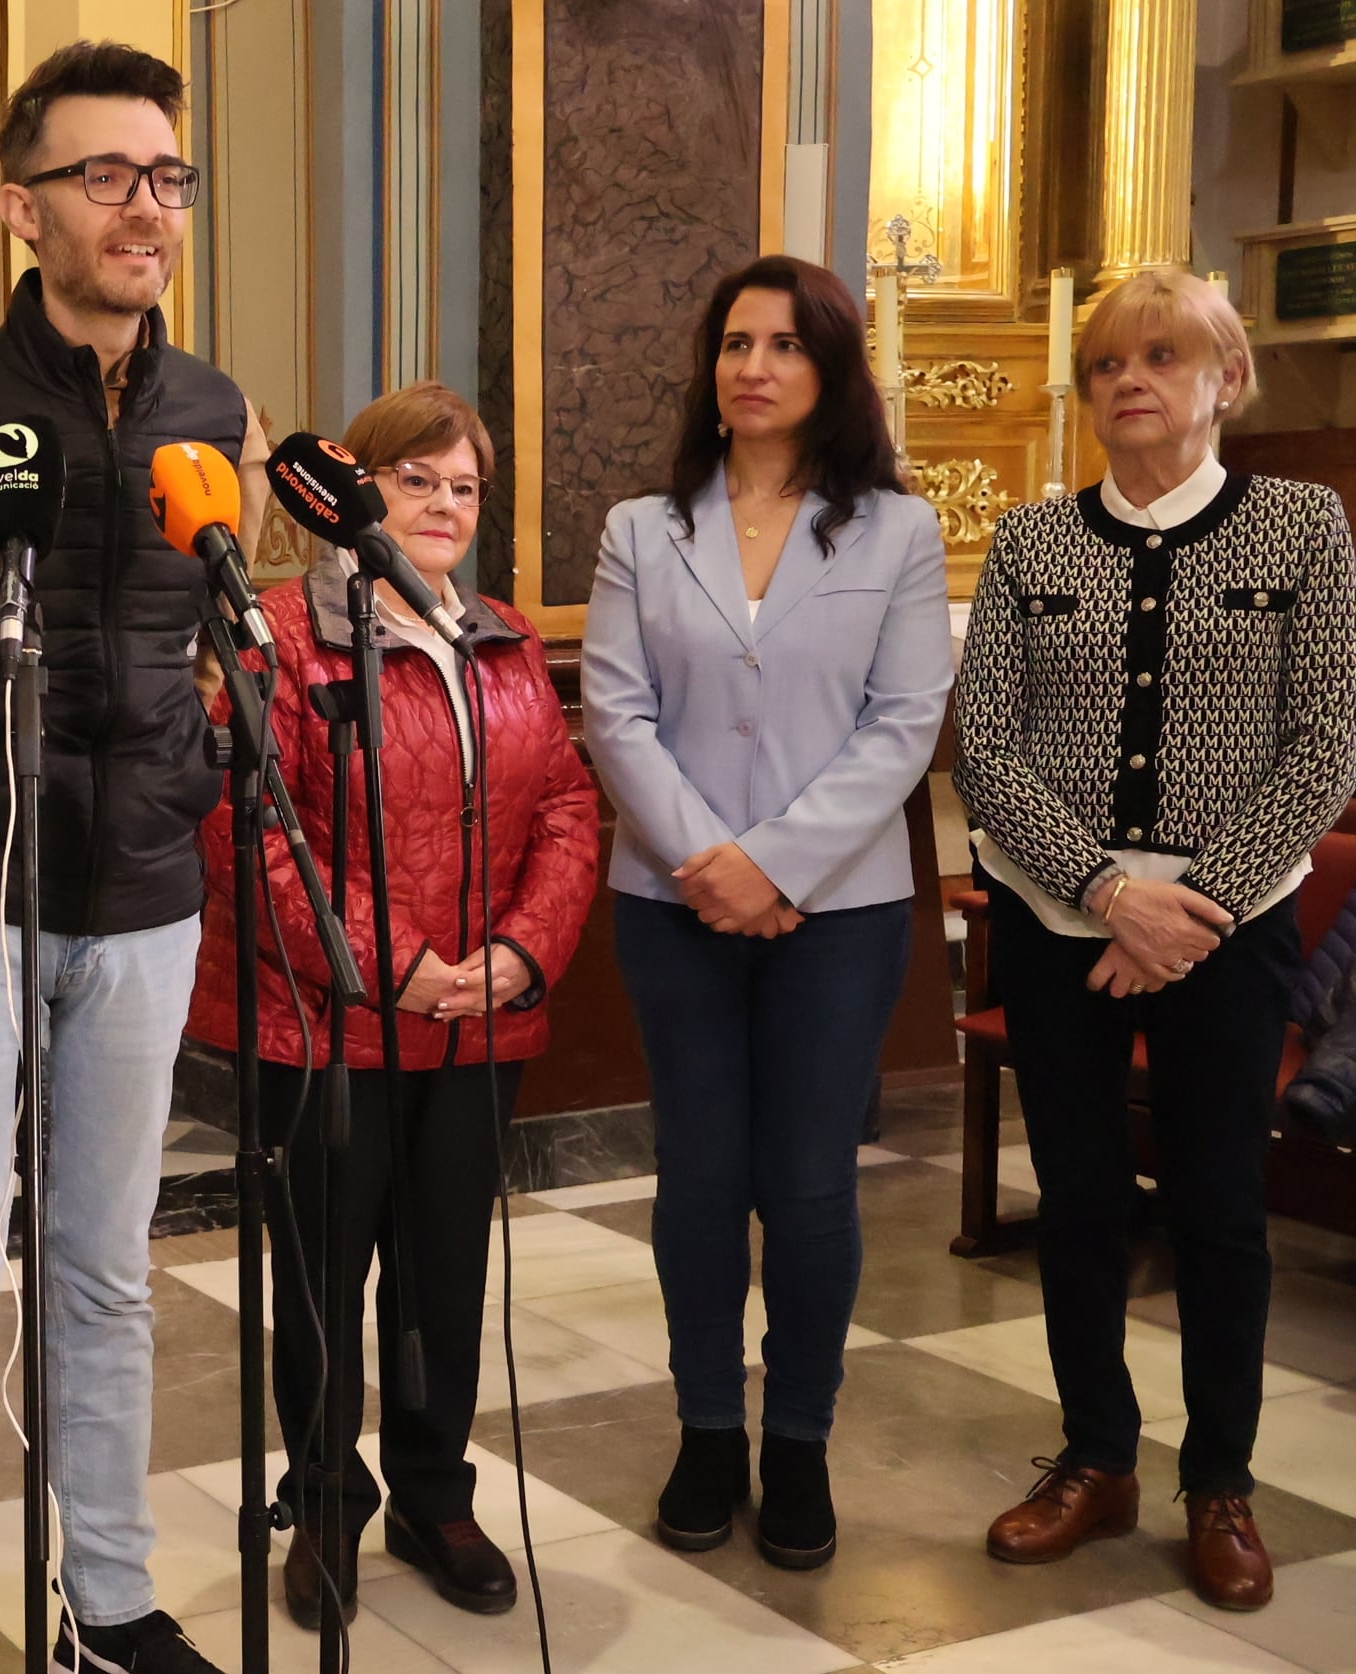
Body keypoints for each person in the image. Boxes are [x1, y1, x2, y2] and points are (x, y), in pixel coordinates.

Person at [0, 40, 269, 1674]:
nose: (145, 208)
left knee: (108, 1274)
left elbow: (220, 634)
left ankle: (116, 1600)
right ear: (25, 208)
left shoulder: (217, 413)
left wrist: (174, 786)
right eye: (106, 176)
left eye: (166, 177)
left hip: (143, 899)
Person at [952, 267, 1356, 1612]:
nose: (1130, 381)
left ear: (1226, 378)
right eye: (1107, 365)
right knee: (1077, 1202)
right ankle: (1097, 1459)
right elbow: (988, 747)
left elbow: (1323, 746)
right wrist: (1109, 894)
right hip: (1058, 918)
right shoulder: (1031, 540)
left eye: (1162, 355)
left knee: (1219, 1208)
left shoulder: (1302, 525)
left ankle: (1220, 1480)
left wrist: (1192, 909)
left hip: (1230, 930)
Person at [186, 383, 598, 1626]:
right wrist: (396, 962)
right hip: (326, 1023)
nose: (444, 505)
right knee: (324, 1283)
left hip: (481, 1021)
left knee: (445, 1273)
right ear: (352, 489)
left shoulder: (503, 639)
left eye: (465, 486)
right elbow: (251, 830)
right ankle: (323, 1504)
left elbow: (567, 804)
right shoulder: (276, 636)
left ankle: (433, 1494)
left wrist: (520, 952)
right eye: (417, 479)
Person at [581, 254, 952, 1571]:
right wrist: (710, 861)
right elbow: (615, 710)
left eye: (786, 344)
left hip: (838, 912)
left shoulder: (897, 531)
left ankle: (797, 1437)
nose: (755, 366)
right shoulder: (643, 528)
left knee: (806, 1182)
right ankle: (706, 1429)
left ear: (830, 367)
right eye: (737, 342)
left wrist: (778, 867)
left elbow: (903, 721)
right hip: (671, 900)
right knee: (698, 1177)